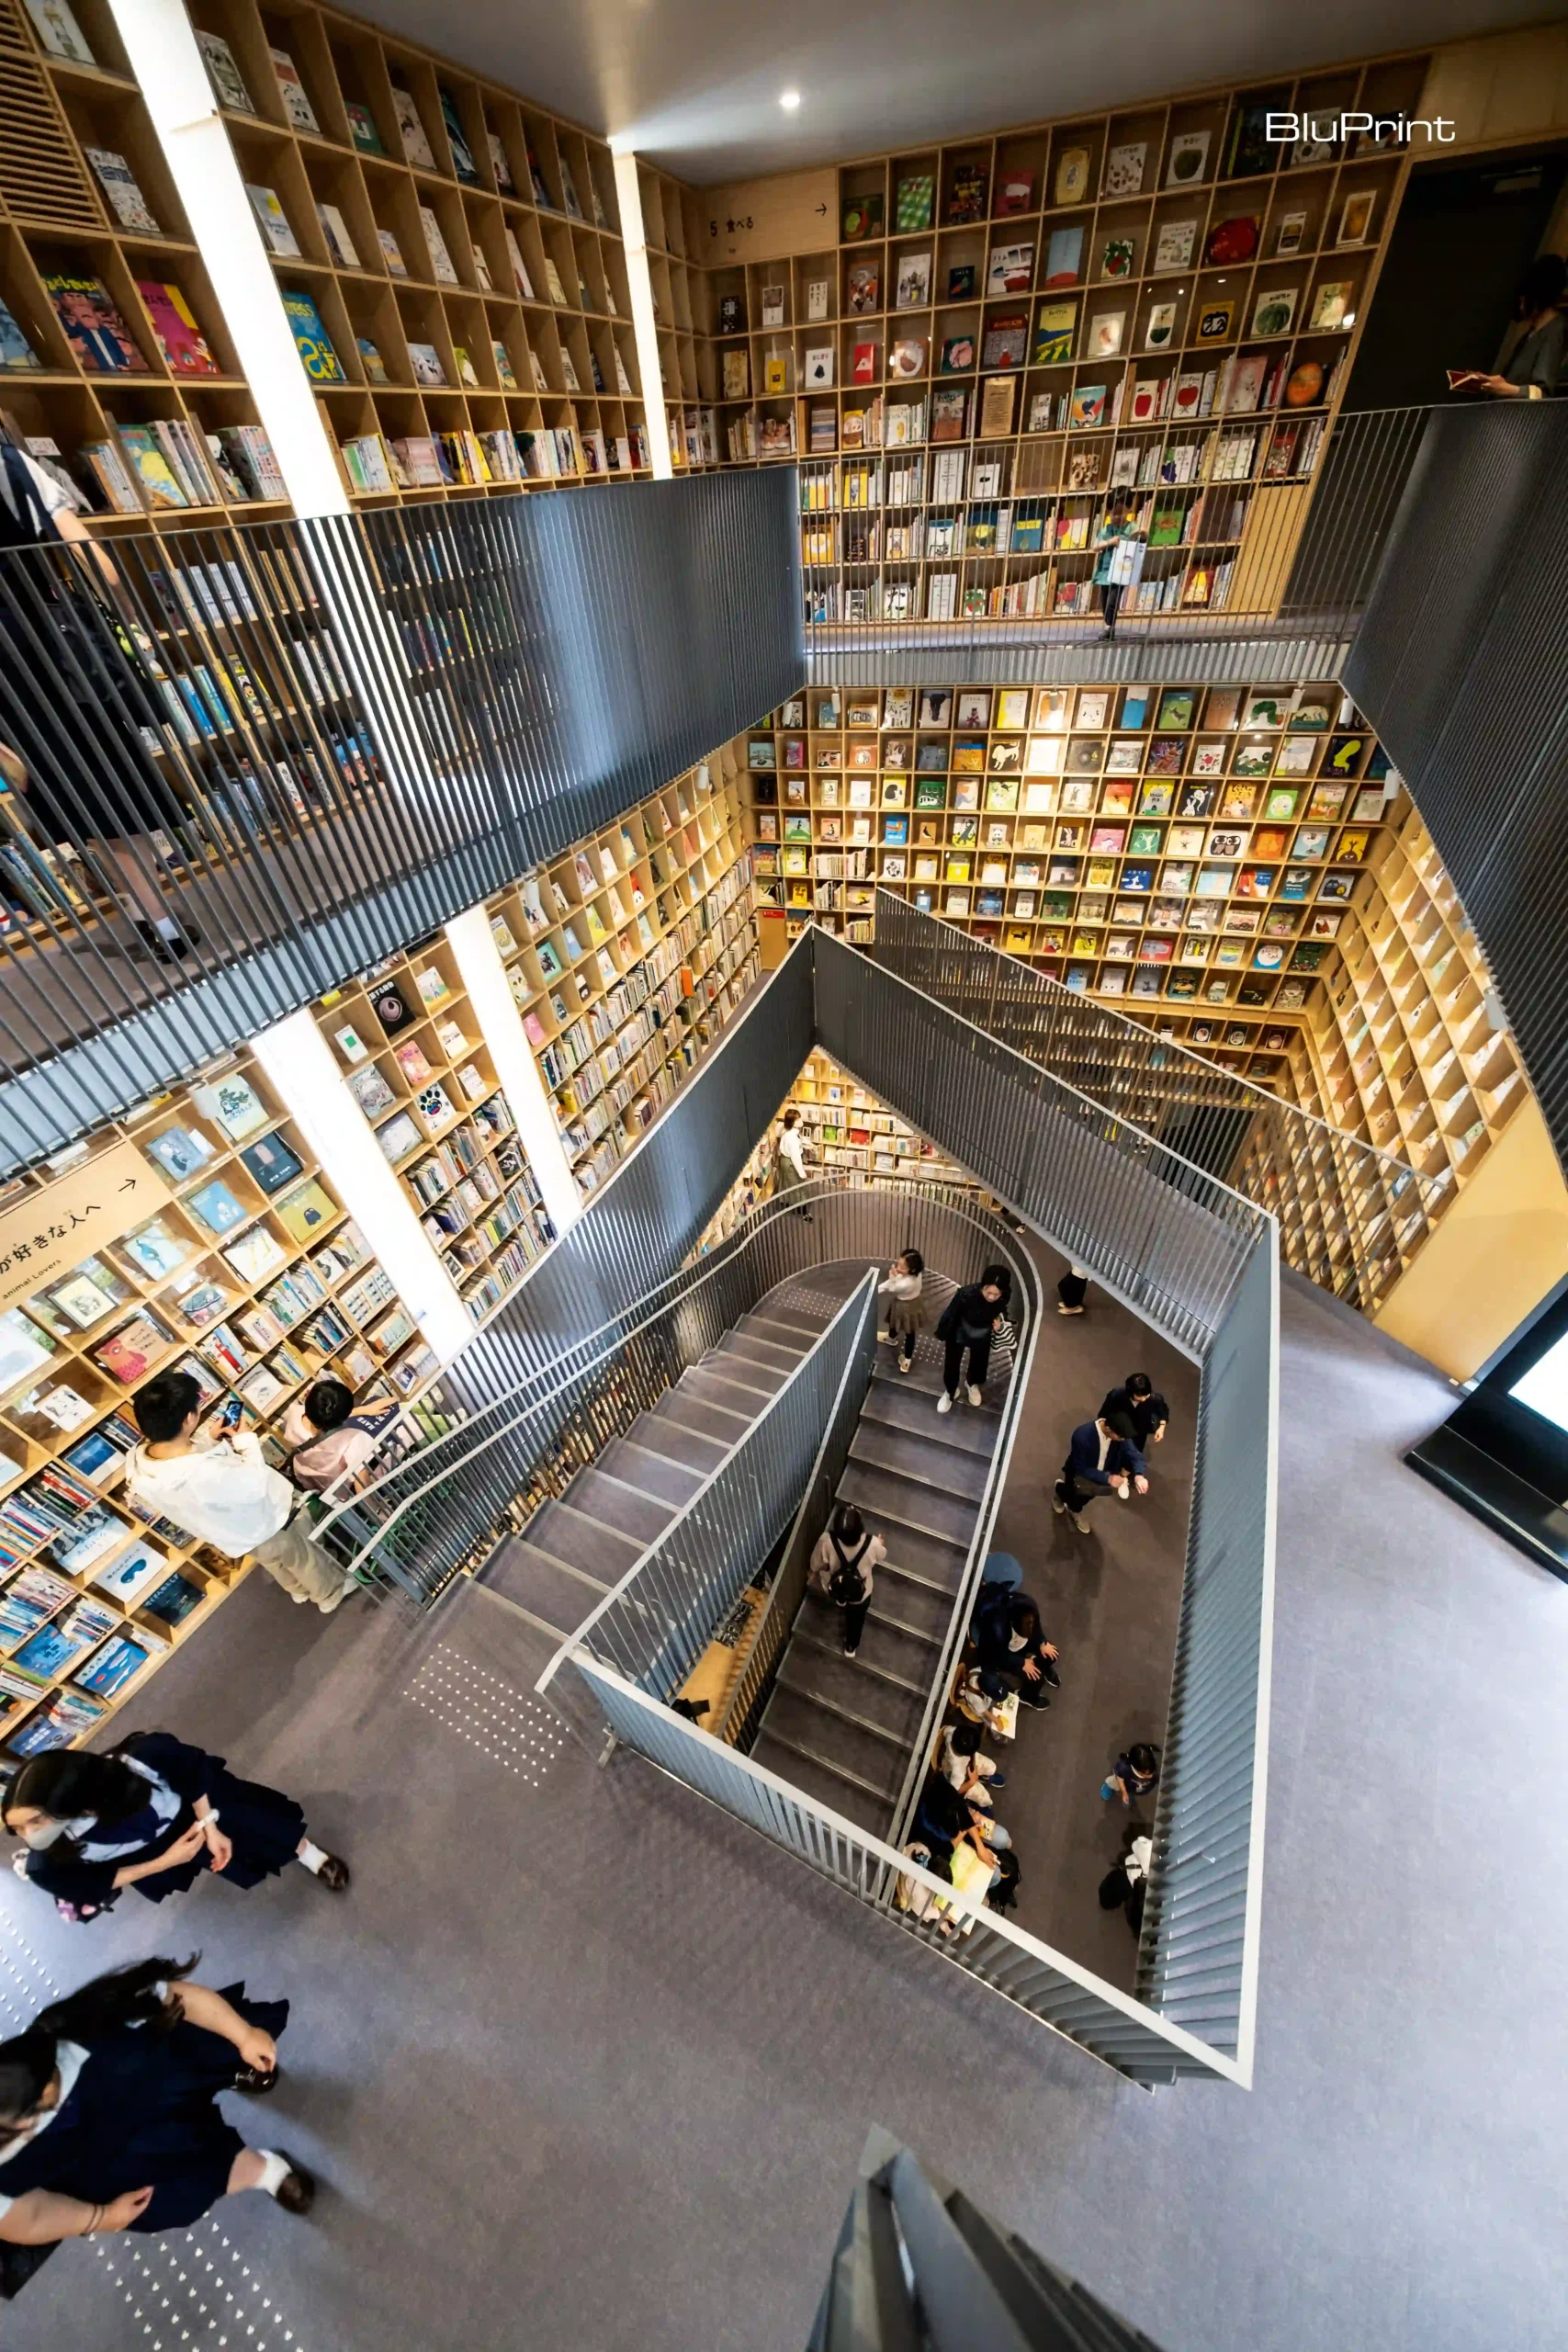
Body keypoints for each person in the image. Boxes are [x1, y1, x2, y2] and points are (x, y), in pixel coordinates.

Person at [0, 435, 197, 961]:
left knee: (83, 805)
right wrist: (122, 617)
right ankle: (164, 923)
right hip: (62, 654)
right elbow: (96, 564)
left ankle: (151, 919)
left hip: (11, 681)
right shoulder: (13, 465)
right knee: (119, 795)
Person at [0, 1955, 311, 2258]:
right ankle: (262, 2169)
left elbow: (175, 1997)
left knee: (212, 2053)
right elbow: (29, 2218)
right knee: (193, 2176)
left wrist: (243, 2036)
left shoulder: (81, 2023)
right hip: (109, 2156)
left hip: (155, 2073)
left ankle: (230, 2073)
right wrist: (102, 2217)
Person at [5, 1734, 348, 1924]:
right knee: (238, 1859)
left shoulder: (142, 1757)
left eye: (35, 1821)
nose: (29, 1836)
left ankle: (309, 1853)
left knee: (262, 1825)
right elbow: (91, 1884)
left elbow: (193, 1774)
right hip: (155, 1852)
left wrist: (209, 1825)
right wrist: (166, 1862)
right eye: (16, 1828)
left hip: (196, 1808)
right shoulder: (47, 1861)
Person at [126, 1371, 357, 1613]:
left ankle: (299, 1590)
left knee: (276, 1562)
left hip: (236, 1534)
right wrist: (246, 1441)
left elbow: (192, 1471)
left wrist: (209, 1440)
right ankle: (330, 1594)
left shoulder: (142, 1466)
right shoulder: (202, 1472)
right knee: (305, 1558)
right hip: (270, 1521)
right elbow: (253, 1485)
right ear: (188, 1419)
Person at [1468, 252, 1566, 399]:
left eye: (1523, 300)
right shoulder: (1531, 333)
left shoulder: (1556, 331)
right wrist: (1488, 383)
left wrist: (1505, 388)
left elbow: (1542, 393)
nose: (1521, 307)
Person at [282, 1376, 401, 1495]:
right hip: (341, 1491)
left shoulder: (295, 1413)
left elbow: (322, 1415)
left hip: (309, 1479)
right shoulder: (353, 1438)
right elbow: (362, 1486)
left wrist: (362, 1410)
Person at [808, 1502, 885, 1658]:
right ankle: (850, 1647)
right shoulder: (872, 1543)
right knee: (856, 1620)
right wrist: (880, 1543)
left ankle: (841, 1600)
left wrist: (813, 1571)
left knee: (839, 1591)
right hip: (861, 1592)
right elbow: (881, 1555)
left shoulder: (827, 1540)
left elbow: (815, 1563)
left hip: (836, 1585)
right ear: (860, 1528)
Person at [1053, 1412, 1149, 1533]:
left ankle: (1074, 1508)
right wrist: (1108, 1478)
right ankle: (1060, 1491)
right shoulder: (1082, 1435)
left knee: (1087, 1496)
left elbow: (1136, 1455)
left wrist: (1139, 1476)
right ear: (1108, 1428)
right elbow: (1081, 1468)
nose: (1123, 1440)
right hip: (1078, 1474)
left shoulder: (1120, 1433)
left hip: (1103, 1476)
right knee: (1072, 1491)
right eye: (1120, 1437)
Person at [934, 1264, 1011, 1414]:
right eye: (988, 1292)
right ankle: (950, 1391)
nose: (991, 1297)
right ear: (983, 1286)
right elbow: (951, 1313)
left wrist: (1000, 1320)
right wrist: (943, 1332)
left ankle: (972, 1383)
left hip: (983, 1331)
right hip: (959, 1329)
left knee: (980, 1360)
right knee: (952, 1362)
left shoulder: (1004, 1296)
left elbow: (1002, 1310)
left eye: (996, 1294)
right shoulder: (966, 1294)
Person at [1091, 491, 1138, 638]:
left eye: (1120, 512)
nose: (1117, 517)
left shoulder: (1132, 528)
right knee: (1105, 600)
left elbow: (1141, 540)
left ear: (1129, 509)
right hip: (1105, 571)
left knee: (1113, 600)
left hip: (1121, 571)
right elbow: (1095, 546)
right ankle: (1109, 626)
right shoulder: (1107, 529)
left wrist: (1143, 534)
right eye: (1113, 513)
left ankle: (1109, 627)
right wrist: (1110, 542)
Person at [935, 1719, 1005, 1812]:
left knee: (991, 1767)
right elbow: (954, 1790)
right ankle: (984, 1805)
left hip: (967, 1762)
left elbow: (945, 1730)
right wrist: (971, 1782)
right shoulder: (958, 1771)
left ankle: (985, 1777)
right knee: (984, 1797)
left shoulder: (952, 1732)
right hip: (962, 1779)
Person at [876, 1249, 925, 1374]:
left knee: (895, 1322)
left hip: (902, 1305)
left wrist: (892, 1277)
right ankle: (905, 1358)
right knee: (910, 1331)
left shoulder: (906, 1284)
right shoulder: (917, 1274)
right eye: (898, 1264)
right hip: (914, 1303)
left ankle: (893, 1341)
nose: (898, 1268)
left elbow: (892, 1287)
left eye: (902, 1267)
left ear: (912, 1269)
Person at [1100, 1374, 1169, 1451]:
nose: (1143, 1399)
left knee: (1135, 1452)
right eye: (1139, 1396)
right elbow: (1104, 1413)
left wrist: (1161, 1428)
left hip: (1140, 1433)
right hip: (1118, 1431)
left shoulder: (1155, 1398)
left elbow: (1163, 1411)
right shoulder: (1117, 1395)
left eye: (1146, 1395)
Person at [773, 1106, 813, 1220]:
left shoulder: (791, 1132)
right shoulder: (792, 1139)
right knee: (798, 1187)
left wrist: (809, 1143)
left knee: (789, 1183)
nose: (801, 1120)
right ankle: (803, 1213)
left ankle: (786, 1202)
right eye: (798, 1119)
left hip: (787, 1160)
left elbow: (800, 1139)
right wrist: (801, 1172)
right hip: (790, 1162)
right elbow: (795, 1156)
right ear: (793, 1123)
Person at [1100, 1743, 1161, 1807]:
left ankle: (1130, 1794)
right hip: (1122, 1782)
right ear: (1135, 1768)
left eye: (1152, 1772)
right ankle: (1108, 1786)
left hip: (1134, 1788)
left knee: (1131, 1793)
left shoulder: (1153, 1767)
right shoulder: (1124, 1767)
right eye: (1145, 1774)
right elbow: (1120, 1778)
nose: (1151, 1776)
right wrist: (1124, 1792)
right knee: (1113, 1782)